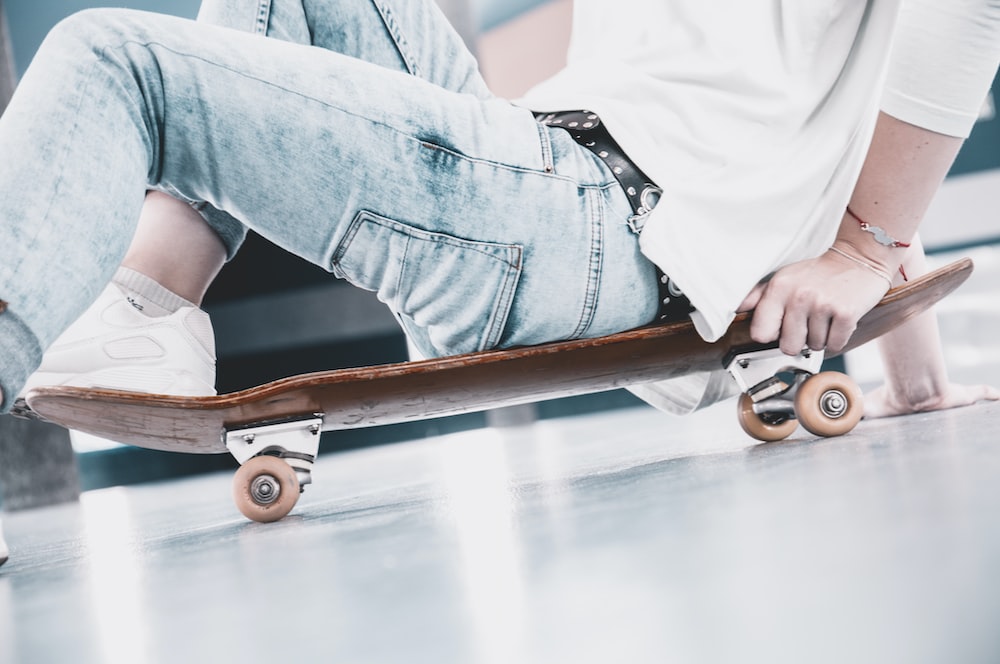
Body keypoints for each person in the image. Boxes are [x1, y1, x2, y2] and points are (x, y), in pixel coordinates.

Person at [1, 0, 998, 567]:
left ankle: (146, 308)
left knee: (111, 57)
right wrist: (900, 340)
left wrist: (868, 253)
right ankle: (153, 301)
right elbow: (820, 103)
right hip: (555, 179)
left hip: (599, 218)